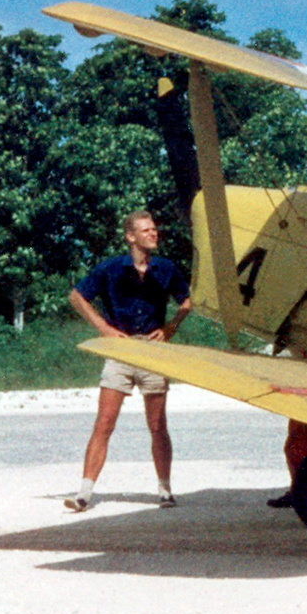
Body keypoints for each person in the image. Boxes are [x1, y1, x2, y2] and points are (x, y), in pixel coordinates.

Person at [65, 211, 192, 512]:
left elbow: (187, 300)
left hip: (152, 350)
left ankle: (165, 490)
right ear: (130, 236)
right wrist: (104, 329)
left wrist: (171, 327)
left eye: (155, 230)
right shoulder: (111, 268)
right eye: (146, 230)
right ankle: (84, 492)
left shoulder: (166, 268)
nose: (154, 234)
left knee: (158, 425)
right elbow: (76, 297)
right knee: (104, 424)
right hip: (120, 352)